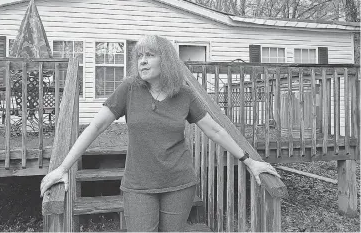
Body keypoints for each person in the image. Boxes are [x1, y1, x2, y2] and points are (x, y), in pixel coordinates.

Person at [40, 35, 281, 232]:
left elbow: (215, 129)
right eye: (139, 57)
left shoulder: (184, 94)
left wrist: (250, 161)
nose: (142, 62)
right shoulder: (129, 89)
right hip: (138, 186)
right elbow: (95, 127)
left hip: (179, 184)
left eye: (149, 55)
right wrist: (63, 168)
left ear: (165, 60)